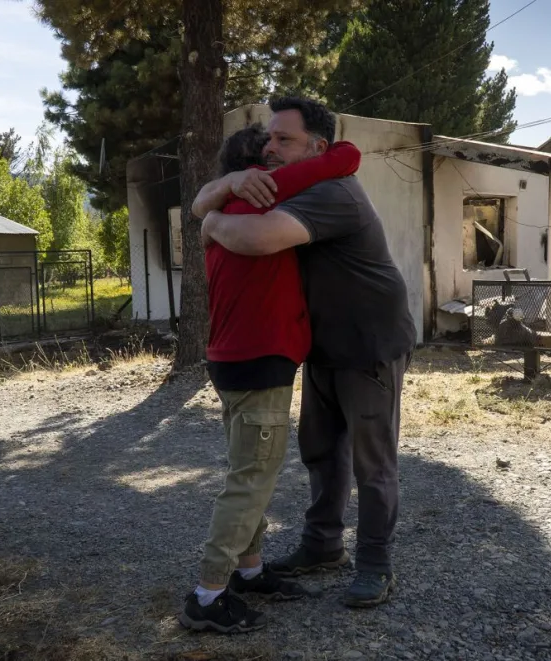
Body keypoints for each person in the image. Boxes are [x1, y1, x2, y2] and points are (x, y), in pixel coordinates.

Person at [196, 97, 416, 608]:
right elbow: (208, 196)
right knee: (321, 448)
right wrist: (224, 187)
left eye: (283, 140)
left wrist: (209, 225)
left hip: (368, 343)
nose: (270, 148)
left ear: (318, 146)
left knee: (372, 461)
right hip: (322, 345)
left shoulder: (333, 193)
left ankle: (376, 565)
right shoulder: (289, 186)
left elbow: (254, 238)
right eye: (268, 138)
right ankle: (322, 545)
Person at [179, 124, 363, 634]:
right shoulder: (264, 191)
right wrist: (251, 177)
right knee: (251, 479)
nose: (282, 156)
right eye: (274, 149)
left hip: (233, 358)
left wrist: (219, 190)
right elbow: (345, 157)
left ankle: (250, 571)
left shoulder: (224, 210)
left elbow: (202, 204)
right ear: (257, 165)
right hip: (259, 359)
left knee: (250, 468)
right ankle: (208, 594)